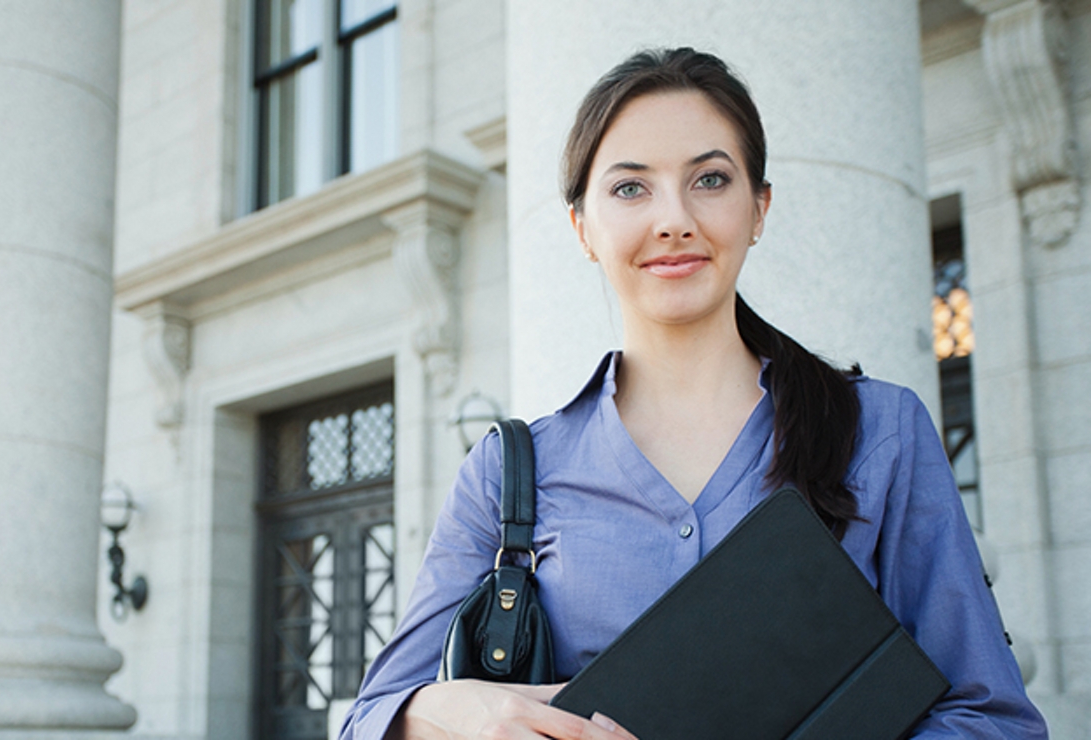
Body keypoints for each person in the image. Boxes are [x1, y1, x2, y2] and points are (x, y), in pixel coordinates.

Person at [340, 48, 1048, 740]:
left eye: (710, 180)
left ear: (759, 208)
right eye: (629, 187)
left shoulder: (880, 430)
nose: (673, 218)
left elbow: (991, 717)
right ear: (582, 226)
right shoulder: (507, 473)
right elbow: (370, 718)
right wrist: (460, 709)